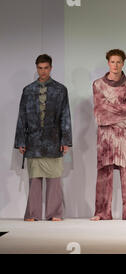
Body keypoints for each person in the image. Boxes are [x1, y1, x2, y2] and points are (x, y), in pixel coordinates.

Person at [14, 54, 72, 221]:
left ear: (51, 68)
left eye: (46, 67)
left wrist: (65, 140)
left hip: (53, 140)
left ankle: (54, 213)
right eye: (40, 68)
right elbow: (22, 117)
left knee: (54, 179)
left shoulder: (60, 90)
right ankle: (33, 213)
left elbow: (65, 115)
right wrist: (21, 141)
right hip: (33, 141)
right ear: (36, 68)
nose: (43, 71)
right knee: (34, 180)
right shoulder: (28, 90)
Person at [91, 49, 126, 221]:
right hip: (105, 135)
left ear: (123, 63)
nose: (116, 65)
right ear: (108, 63)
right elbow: (99, 112)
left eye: (119, 62)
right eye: (112, 61)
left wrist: (111, 110)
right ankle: (101, 212)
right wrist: (122, 116)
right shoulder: (98, 85)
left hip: (124, 135)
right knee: (104, 172)